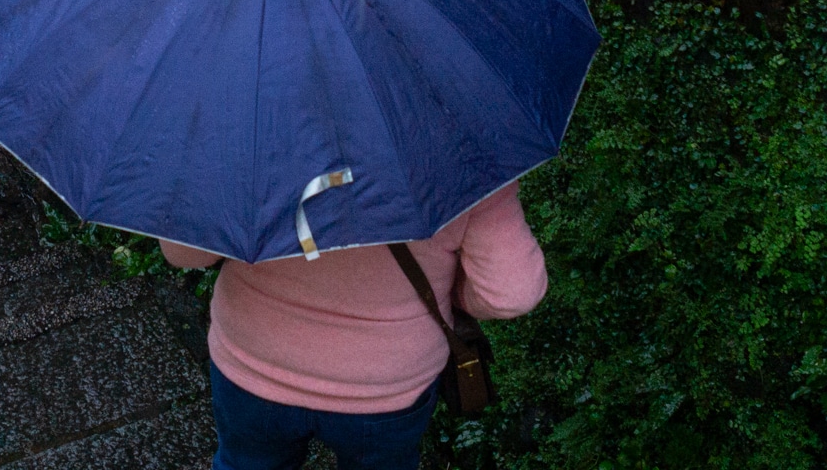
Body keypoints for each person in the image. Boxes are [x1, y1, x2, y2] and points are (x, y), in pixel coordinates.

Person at [158, 182, 548, 470]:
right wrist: (455, 296)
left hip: (253, 362)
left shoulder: (249, 134)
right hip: (386, 387)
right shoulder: (460, 152)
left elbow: (183, 252)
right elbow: (512, 292)